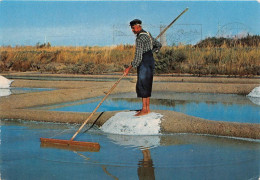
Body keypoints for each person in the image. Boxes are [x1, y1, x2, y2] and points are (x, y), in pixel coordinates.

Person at [124, 19, 162, 116]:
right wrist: (150, 52)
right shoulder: (147, 34)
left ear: (138, 26)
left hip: (144, 62)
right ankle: (146, 108)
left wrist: (129, 68)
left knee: (142, 84)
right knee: (147, 83)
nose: (132, 30)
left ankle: (144, 110)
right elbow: (158, 45)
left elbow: (138, 56)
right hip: (150, 61)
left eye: (133, 28)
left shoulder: (140, 38)